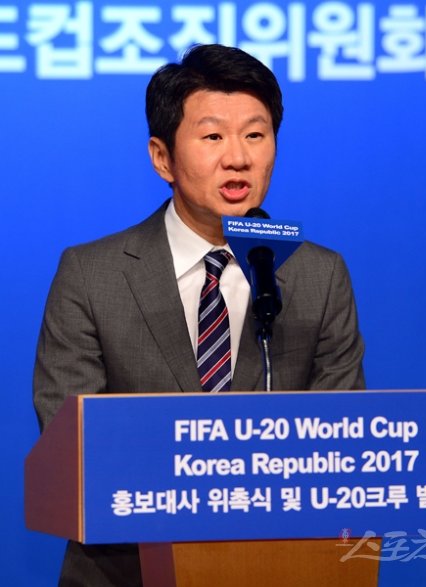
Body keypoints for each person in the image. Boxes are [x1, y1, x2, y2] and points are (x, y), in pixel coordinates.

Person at [33, 44, 365, 587]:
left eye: (255, 135)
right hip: (125, 570)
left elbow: (340, 443)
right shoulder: (91, 274)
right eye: (212, 137)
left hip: (279, 566)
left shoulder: (318, 275)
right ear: (162, 157)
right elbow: (74, 442)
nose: (238, 158)